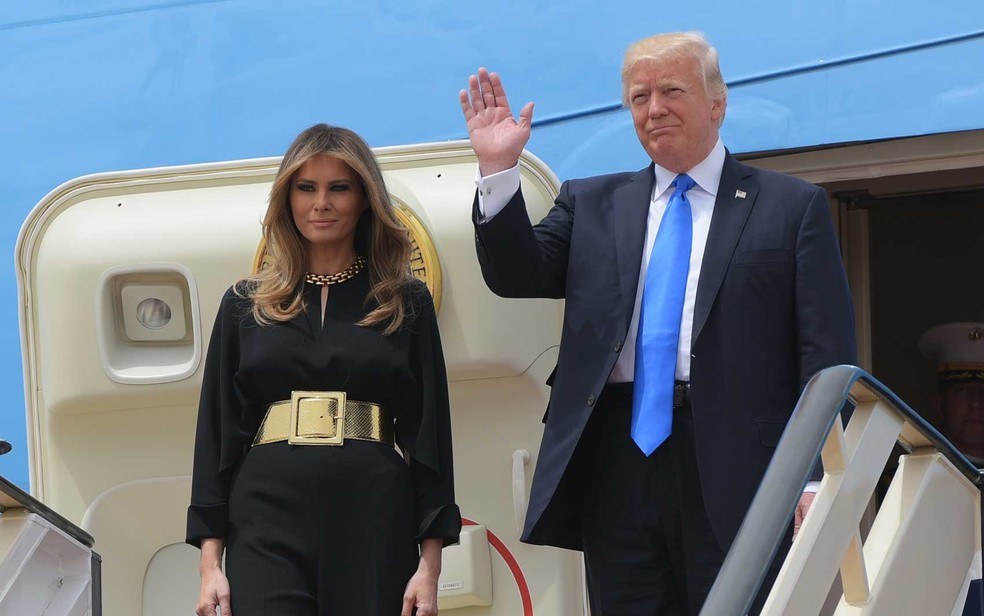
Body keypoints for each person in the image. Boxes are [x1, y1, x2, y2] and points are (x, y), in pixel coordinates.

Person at [459, 32, 857, 614]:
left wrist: (819, 473)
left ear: (717, 103)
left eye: (672, 90)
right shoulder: (591, 203)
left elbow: (826, 355)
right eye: (640, 96)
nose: (654, 108)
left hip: (740, 463)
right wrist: (497, 169)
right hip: (616, 461)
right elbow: (517, 274)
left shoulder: (790, 207)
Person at [186, 124, 461, 616]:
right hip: (266, 514)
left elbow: (429, 437)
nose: (321, 203)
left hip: (374, 512)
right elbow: (217, 438)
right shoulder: (244, 305)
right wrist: (211, 566)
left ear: (364, 199)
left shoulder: (404, 302)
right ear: (287, 199)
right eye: (306, 187)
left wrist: (430, 566)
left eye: (339, 187)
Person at [919, 322, 984, 616]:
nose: (976, 403)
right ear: (939, 404)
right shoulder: (909, 479)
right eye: (962, 390)